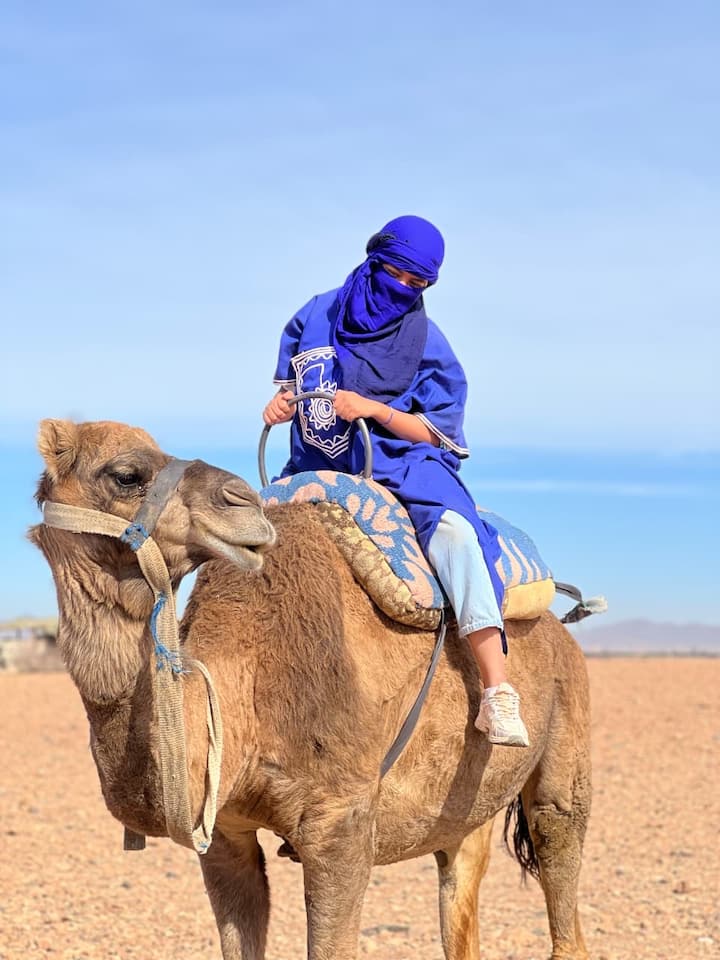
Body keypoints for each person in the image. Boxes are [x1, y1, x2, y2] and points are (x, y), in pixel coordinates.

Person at [263, 215, 529, 747]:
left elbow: (436, 432)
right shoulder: (313, 316)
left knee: (456, 535)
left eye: (419, 283)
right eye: (399, 275)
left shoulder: (428, 342)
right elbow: (293, 390)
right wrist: (278, 407)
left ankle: (497, 691)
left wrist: (374, 410)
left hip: (405, 466)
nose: (405, 289)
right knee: (241, 531)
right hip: (316, 465)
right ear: (374, 260)